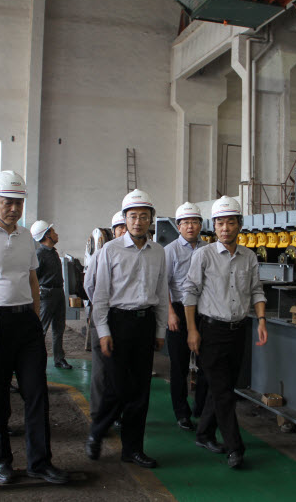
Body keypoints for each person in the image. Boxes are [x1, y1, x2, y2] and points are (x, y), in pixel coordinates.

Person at [0, 170, 68, 485]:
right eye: (8, 202)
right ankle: (1, 460)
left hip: (25, 324)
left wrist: (34, 317)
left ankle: (40, 462)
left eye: (19, 203)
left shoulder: (26, 238)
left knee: (36, 394)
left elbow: (32, 280)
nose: (14, 209)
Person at [184, 195, 268, 469]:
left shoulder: (249, 257)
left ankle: (204, 433)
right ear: (214, 226)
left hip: (238, 331)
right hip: (211, 331)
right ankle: (235, 448)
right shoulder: (203, 255)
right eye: (220, 223)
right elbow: (190, 293)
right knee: (224, 393)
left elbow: (256, 290)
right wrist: (192, 330)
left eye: (230, 222)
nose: (225, 228)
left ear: (239, 225)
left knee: (223, 387)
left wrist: (262, 320)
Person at [86, 189, 168, 469]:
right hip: (117, 323)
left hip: (145, 324)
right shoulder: (110, 250)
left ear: (151, 219)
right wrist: (103, 331)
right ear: (124, 219)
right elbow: (100, 294)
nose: (138, 222)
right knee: (117, 386)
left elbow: (162, 292)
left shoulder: (158, 252)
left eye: (143, 216)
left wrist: (160, 331)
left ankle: (132, 449)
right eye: (132, 216)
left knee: (141, 391)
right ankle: (97, 431)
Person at [164, 202, 209, 432]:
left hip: (203, 311)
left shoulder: (208, 249)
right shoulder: (170, 250)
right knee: (179, 366)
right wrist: (170, 314)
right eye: (185, 223)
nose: (190, 227)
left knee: (205, 364)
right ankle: (181, 413)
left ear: (200, 225)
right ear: (178, 226)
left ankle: (201, 408)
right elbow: (162, 285)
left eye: (194, 222)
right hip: (178, 312)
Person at [84, 211, 127, 424]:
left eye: (126, 227)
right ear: (113, 231)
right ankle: (98, 415)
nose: (125, 231)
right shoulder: (102, 253)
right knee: (101, 369)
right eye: (120, 228)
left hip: (124, 319)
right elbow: (89, 285)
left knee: (121, 369)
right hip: (103, 315)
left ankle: (116, 413)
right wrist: (102, 306)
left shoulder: (136, 254)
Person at [30, 220, 72, 370]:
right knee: (41, 329)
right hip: (46, 295)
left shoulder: (53, 252)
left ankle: (59, 359)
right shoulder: (39, 254)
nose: (56, 234)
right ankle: (35, 359)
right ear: (47, 235)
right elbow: (34, 278)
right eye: (53, 231)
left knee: (59, 328)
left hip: (58, 293)